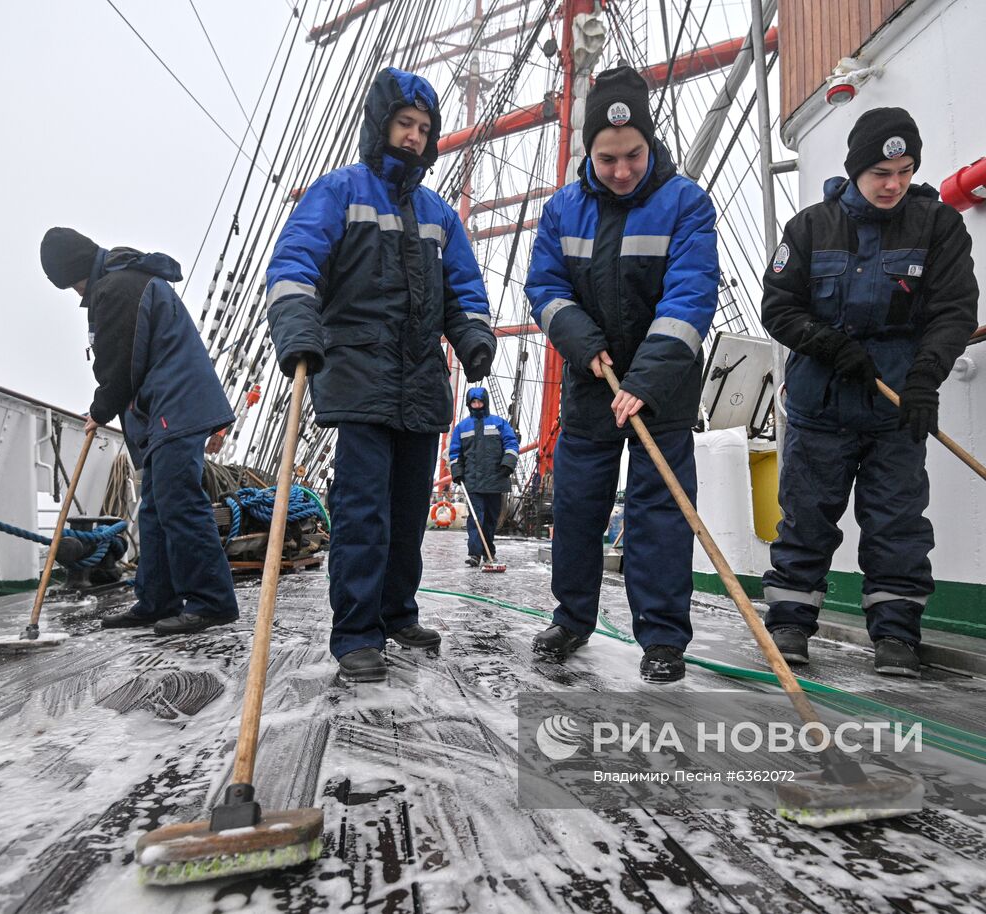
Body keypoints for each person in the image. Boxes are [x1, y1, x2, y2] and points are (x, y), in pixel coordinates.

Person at [265, 68, 495, 682]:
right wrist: (297, 329)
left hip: (421, 384)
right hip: (359, 376)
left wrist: (473, 335)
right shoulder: (340, 193)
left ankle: (397, 612)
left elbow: (464, 292)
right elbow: (294, 265)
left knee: (407, 509)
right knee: (364, 511)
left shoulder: (441, 218)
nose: (415, 137)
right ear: (381, 125)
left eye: (424, 128)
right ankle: (357, 630)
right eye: (405, 124)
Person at [759, 107, 980, 678]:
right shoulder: (810, 228)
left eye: (906, 171)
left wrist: (927, 375)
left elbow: (954, 311)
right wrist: (830, 346)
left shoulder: (938, 227)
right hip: (820, 404)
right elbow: (780, 308)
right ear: (857, 168)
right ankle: (789, 623)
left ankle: (897, 633)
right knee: (806, 516)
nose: (894, 184)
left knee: (898, 521)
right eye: (883, 172)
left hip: (896, 407)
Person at [524, 66, 718, 684]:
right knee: (577, 508)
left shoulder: (685, 201)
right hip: (591, 381)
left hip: (661, 392)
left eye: (633, 155)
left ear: (650, 142)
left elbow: (690, 296)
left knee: (659, 513)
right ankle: (572, 617)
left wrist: (646, 379)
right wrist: (582, 343)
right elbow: (546, 288)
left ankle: (662, 637)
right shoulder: (561, 210)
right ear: (589, 150)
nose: (622, 170)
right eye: (607, 159)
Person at [39, 227, 239, 636]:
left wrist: (100, 409)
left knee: (179, 503)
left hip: (175, 404)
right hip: (161, 408)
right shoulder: (120, 281)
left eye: (72, 284)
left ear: (76, 270)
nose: (77, 295)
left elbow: (121, 364)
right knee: (153, 510)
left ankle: (212, 601)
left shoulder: (118, 287)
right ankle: (155, 601)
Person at [448, 386, 520, 565]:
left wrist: (508, 465)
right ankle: (475, 554)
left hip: (496, 480)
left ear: (485, 402)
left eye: (479, 401)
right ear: (469, 403)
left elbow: (511, 444)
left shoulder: (499, 423)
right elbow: (455, 453)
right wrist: (457, 472)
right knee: (476, 518)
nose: (477, 405)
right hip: (472, 482)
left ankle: (489, 552)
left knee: (490, 519)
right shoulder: (461, 427)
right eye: (473, 402)